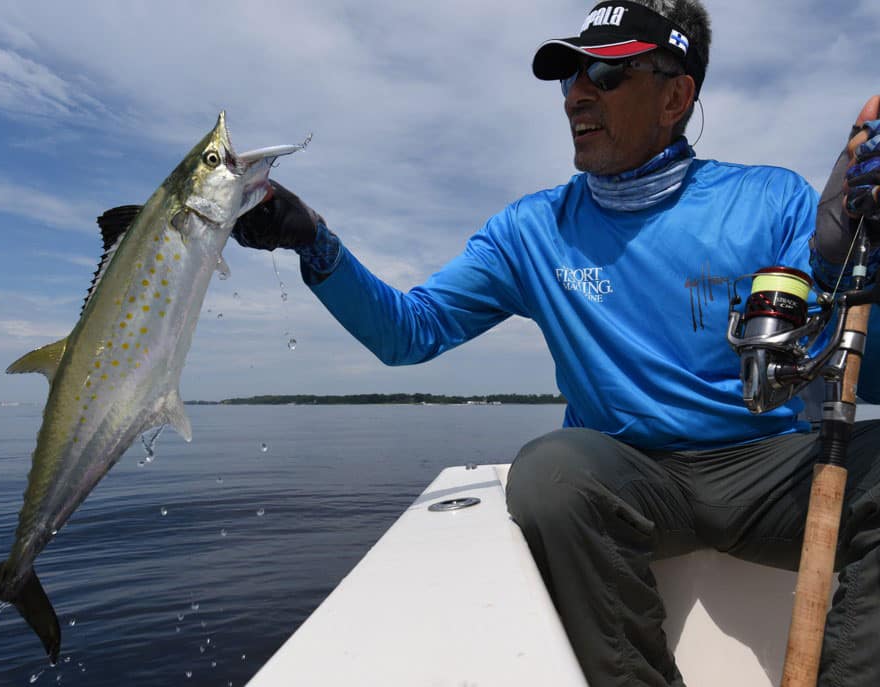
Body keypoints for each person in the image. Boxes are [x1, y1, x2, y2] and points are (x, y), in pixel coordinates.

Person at [231, 1, 880, 684]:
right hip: (630, 475)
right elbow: (409, 333)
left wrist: (850, 268)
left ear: (675, 95)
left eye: (603, 74)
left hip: (771, 468)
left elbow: (861, 382)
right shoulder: (531, 231)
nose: (575, 95)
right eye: (570, 76)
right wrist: (313, 240)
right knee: (551, 472)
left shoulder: (771, 199)